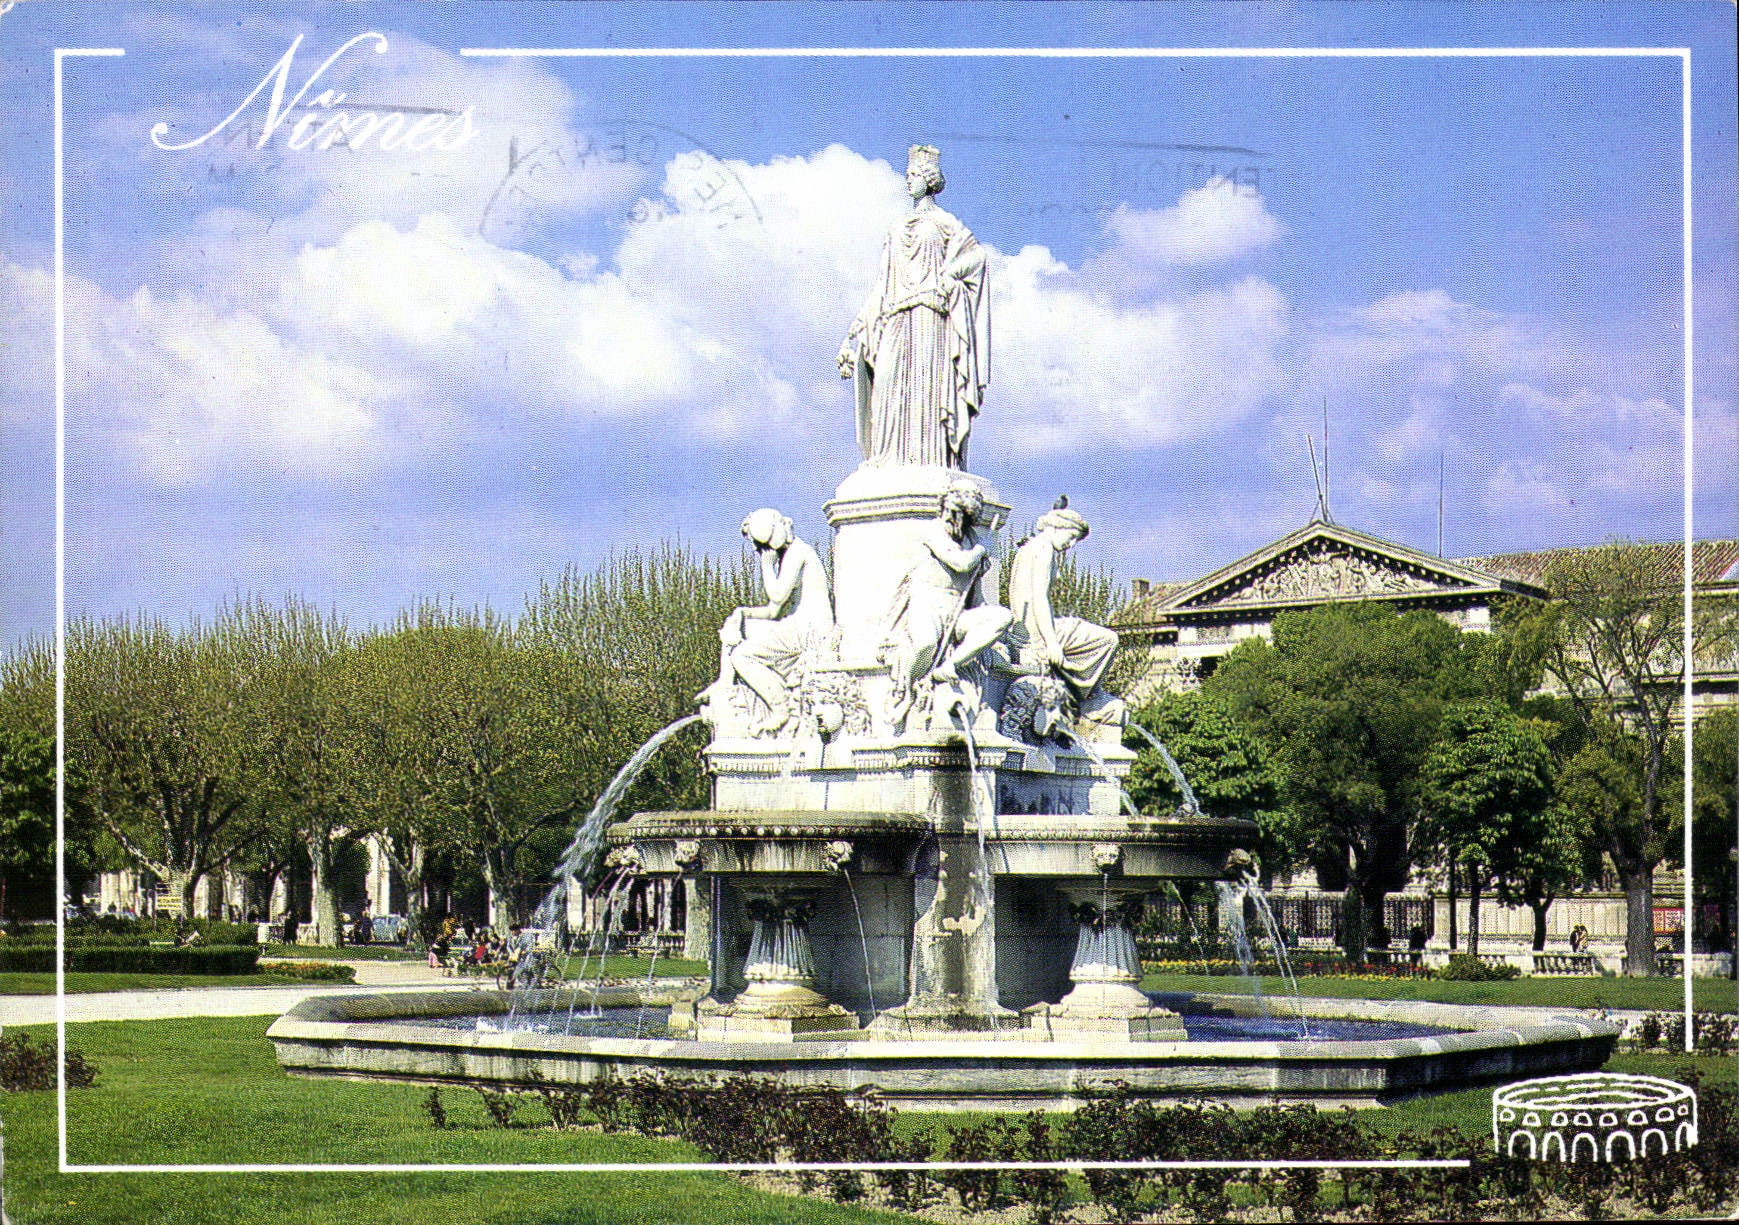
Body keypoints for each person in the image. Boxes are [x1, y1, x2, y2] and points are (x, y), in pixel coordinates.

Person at [838, 144, 990, 470]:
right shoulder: (896, 227)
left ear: (929, 178)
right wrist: (853, 333)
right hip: (895, 316)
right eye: (907, 175)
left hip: (929, 316)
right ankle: (887, 459)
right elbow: (882, 283)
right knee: (886, 386)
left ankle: (928, 460)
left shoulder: (945, 223)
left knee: (925, 389)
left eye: (913, 175)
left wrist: (950, 275)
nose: (908, 180)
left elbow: (977, 257)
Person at [880, 480, 1012, 728]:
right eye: (955, 513)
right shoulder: (932, 532)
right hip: (927, 607)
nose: (957, 521)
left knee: (1002, 617)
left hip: (957, 614)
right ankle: (906, 691)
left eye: (964, 517)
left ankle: (950, 664)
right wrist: (981, 550)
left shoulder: (969, 539)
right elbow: (960, 563)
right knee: (926, 643)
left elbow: (975, 593)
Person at [698, 509, 834, 736]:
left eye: (759, 546)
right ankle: (724, 683)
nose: (757, 551)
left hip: (809, 631)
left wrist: (766, 565)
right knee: (736, 623)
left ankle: (781, 708)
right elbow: (773, 612)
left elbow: (777, 597)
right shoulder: (790, 554)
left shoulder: (798, 553)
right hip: (797, 626)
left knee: (741, 655)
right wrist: (742, 613)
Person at [1008, 503, 1123, 726]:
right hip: (1037, 631)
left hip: (1025, 627)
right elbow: (1039, 597)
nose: (1071, 545)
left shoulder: (1029, 547)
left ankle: (1081, 692)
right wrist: (1051, 642)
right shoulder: (1044, 549)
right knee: (1109, 640)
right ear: (1056, 527)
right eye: (1071, 537)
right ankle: (1085, 699)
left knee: (1090, 633)